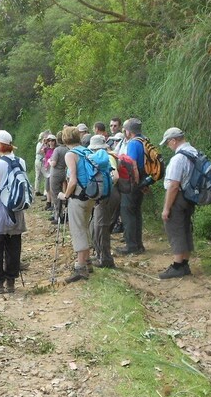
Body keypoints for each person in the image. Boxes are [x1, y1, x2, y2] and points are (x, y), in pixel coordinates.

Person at [0, 130, 27, 293]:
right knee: (14, 246)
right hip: (16, 209)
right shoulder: (21, 161)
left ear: (0, 145)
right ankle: (11, 282)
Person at [58, 126, 95, 283]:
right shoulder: (87, 151)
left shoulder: (71, 154)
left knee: (78, 229)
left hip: (78, 196)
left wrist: (65, 195)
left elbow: (72, 180)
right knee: (85, 227)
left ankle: (80, 268)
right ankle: (87, 262)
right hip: (91, 195)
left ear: (65, 139)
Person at [159, 127, 196, 279]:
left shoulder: (178, 158)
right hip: (190, 196)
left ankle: (178, 265)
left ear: (174, 140)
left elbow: (173, 185)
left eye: (168, 143)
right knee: (185, 227)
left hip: (178, 196)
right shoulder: (194, 152)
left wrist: (166, 208)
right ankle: (185, 262)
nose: (169, 146)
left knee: (175, 228)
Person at [88, 135, 119, 269]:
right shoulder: (104, 156)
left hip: (105, 196)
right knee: (99, 226)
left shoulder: (105, 157)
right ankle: (101, 255)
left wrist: (104, 188)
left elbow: (115, 176)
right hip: (107, 195)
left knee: (101, 227)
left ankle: (105, 259)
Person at [116, 118, 146, 255]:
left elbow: (132, 163)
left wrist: (134, 182)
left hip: (133, 182)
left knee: (127, 212)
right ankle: (139, 244)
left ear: (129, 131)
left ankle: (131, 245)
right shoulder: (144, 140)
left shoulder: (133, 143)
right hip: (142, 181)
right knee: (136, 212)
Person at [47, 131, 68, 225]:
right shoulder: (67, 149)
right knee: (65, 193)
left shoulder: (57, 150)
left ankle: (58, 216)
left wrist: (49, 161)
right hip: (64, 171)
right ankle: (64, 213)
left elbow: (54, 163)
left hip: (56, 173)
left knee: (55, 194)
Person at [42, 133, 56, 211]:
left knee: (51, 187)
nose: (51, 142)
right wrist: (44, 141)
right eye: (49, 141)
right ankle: (48, 202)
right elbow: (42, 153)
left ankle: (53, 203)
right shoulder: (46, 149)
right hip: (47, 169)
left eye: (52, 140)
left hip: (52, 169)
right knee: (47, 187)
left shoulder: (56, 150)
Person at [33, 131, 47, 197]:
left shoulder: (45, 145)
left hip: (42, 161)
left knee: (43, 176)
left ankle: (43, 191)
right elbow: (37, 152)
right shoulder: (39, 144)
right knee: (39, 176)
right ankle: (37, 190)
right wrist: (42, 144)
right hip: (39, 161)